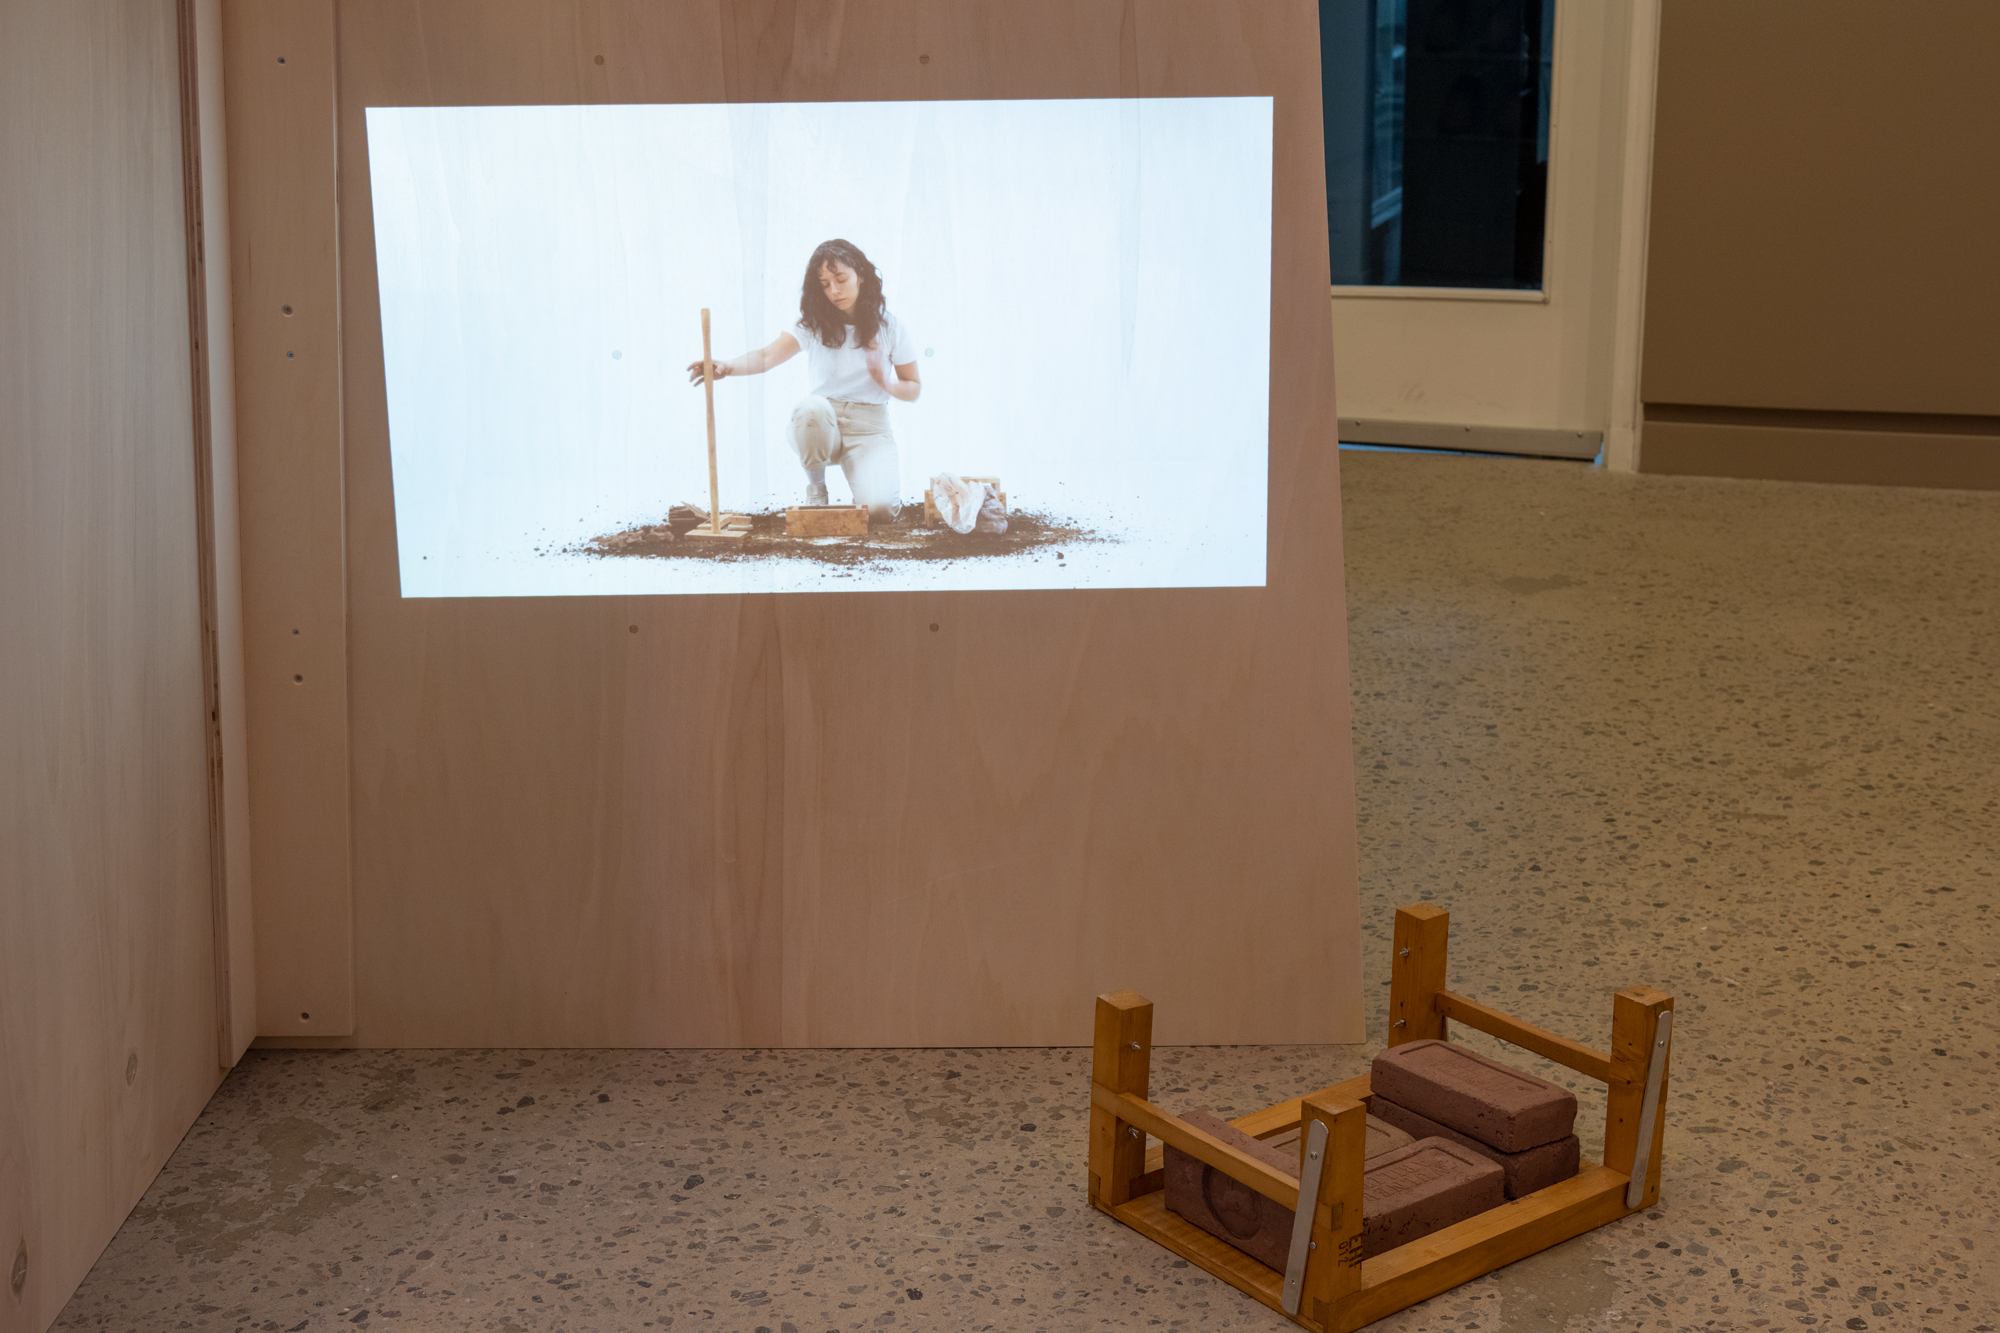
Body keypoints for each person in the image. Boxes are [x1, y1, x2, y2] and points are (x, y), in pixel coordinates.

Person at [688, 238, 920, 521]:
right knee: (812, 408)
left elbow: (913, 387)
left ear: (860, 275)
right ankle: (817, 489)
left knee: (880, 511)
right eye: (824, 284)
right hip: (822, 422)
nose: (834, 291)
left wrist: (886, 383)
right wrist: (727, 366)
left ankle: (864, 486)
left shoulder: (890, 327)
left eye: (840, 279)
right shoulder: (813, 324)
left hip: (870, 427)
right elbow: (766, 356)